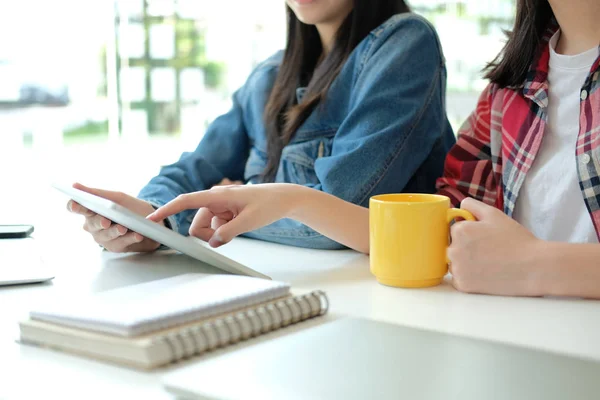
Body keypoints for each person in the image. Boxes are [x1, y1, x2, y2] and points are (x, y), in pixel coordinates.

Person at [149, 0, 600, 299]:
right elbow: (432, 231)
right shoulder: (511, 86)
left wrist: (230, 203)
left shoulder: (401, 44)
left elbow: (351, 210)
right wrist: (150, 215)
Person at [67, 0, 454, 252]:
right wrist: (148, 221)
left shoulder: (403, 43)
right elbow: (193, 170)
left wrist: (195, 215)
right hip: (278, 287)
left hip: (386, 301)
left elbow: (340, 212)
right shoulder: (270, 76)